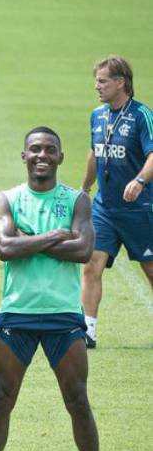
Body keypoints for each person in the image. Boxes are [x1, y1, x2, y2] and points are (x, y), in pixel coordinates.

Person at [0, 127, 115, 451]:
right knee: (2, 398)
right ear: (24, 155)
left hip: (63, 316)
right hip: (17, 313)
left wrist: (28, 240)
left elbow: (83, 250)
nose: (42, 155)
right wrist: (54, 236)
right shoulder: (7, 199)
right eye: (35, 149)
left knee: (78, 400)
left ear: (61, 157)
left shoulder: (77, 200)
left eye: (50, 149)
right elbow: (4, 248)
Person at [79, 56, 153, 349]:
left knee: (150, 269)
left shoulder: (141, 115)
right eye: (96, 81)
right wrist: (85, 188)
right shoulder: (97, 115)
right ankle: (87, 330)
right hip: (104, 209)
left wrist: (140, 181)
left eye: (102, 81)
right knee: (90, 264)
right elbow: (94, 152)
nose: (96, 86)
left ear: (121, 82)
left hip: (139, 209)